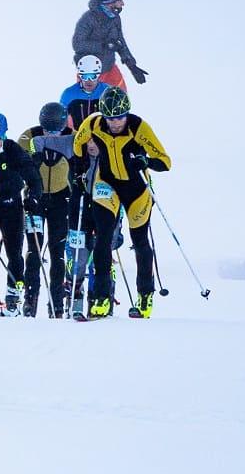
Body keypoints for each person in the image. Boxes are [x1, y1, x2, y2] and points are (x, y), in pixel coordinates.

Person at [72, 87, 171, 318]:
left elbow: (165, 162)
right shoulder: (93, 123)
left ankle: (145, 296)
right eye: (110, 118)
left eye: (119, 117)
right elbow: (78, 145)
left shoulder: (138, 127)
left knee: (139, 241)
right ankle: (101, 297)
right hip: (106, 184)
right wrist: (79, 172)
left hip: (136, 190)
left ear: (127, 113)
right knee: (103, 237)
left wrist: (144, 161)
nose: (115, 123)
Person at [0, 112, 43, 316]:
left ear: (3, 137)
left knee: (14, 250)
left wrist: (33, 198)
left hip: (10, 204)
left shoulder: (13, 150)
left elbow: (34, 178)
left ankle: (14, 292)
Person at [17, 102, 80, 317]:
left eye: (56, 130)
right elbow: (17, 167)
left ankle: (57, 304)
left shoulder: (74, 136)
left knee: (57, 252)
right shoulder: (29, 136)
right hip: (35, 199)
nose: (51, 135)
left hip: (62, 199)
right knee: (34, 250)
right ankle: (30, 299)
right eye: (47, 130)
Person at [72, 0, 147, 90]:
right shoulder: (88, 18)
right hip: (89, 73)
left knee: (120, 100)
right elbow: (77, 44)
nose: (123, 3)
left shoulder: (115, 18)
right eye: (120, 0)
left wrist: (132, 66)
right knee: (92, 104)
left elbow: (120, 42)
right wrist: (103, 45)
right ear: (111, 2)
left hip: (109, 68)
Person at [61, 55, 113, 130]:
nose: (89, 80)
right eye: (84, 76)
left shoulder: (109, 92)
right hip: (77, 138)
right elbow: (61, 121)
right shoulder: (68, 94)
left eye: (93, 76)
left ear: (98, 75)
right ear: (79, 75)